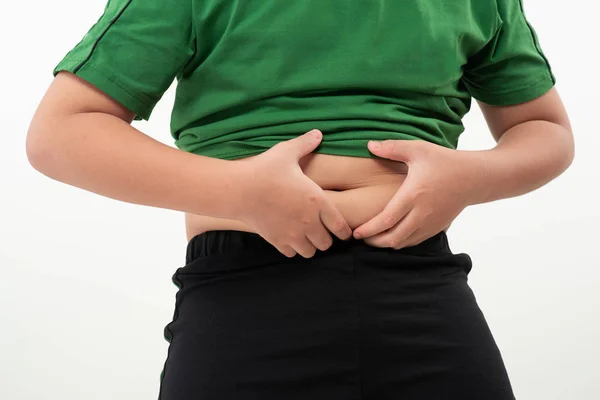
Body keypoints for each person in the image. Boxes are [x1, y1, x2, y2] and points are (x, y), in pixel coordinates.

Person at [26, 0, 574, 399]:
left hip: (419, 280)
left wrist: (472, 177)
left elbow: (544, 128)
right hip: (247, 292)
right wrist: (238, 191)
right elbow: (58, 134)